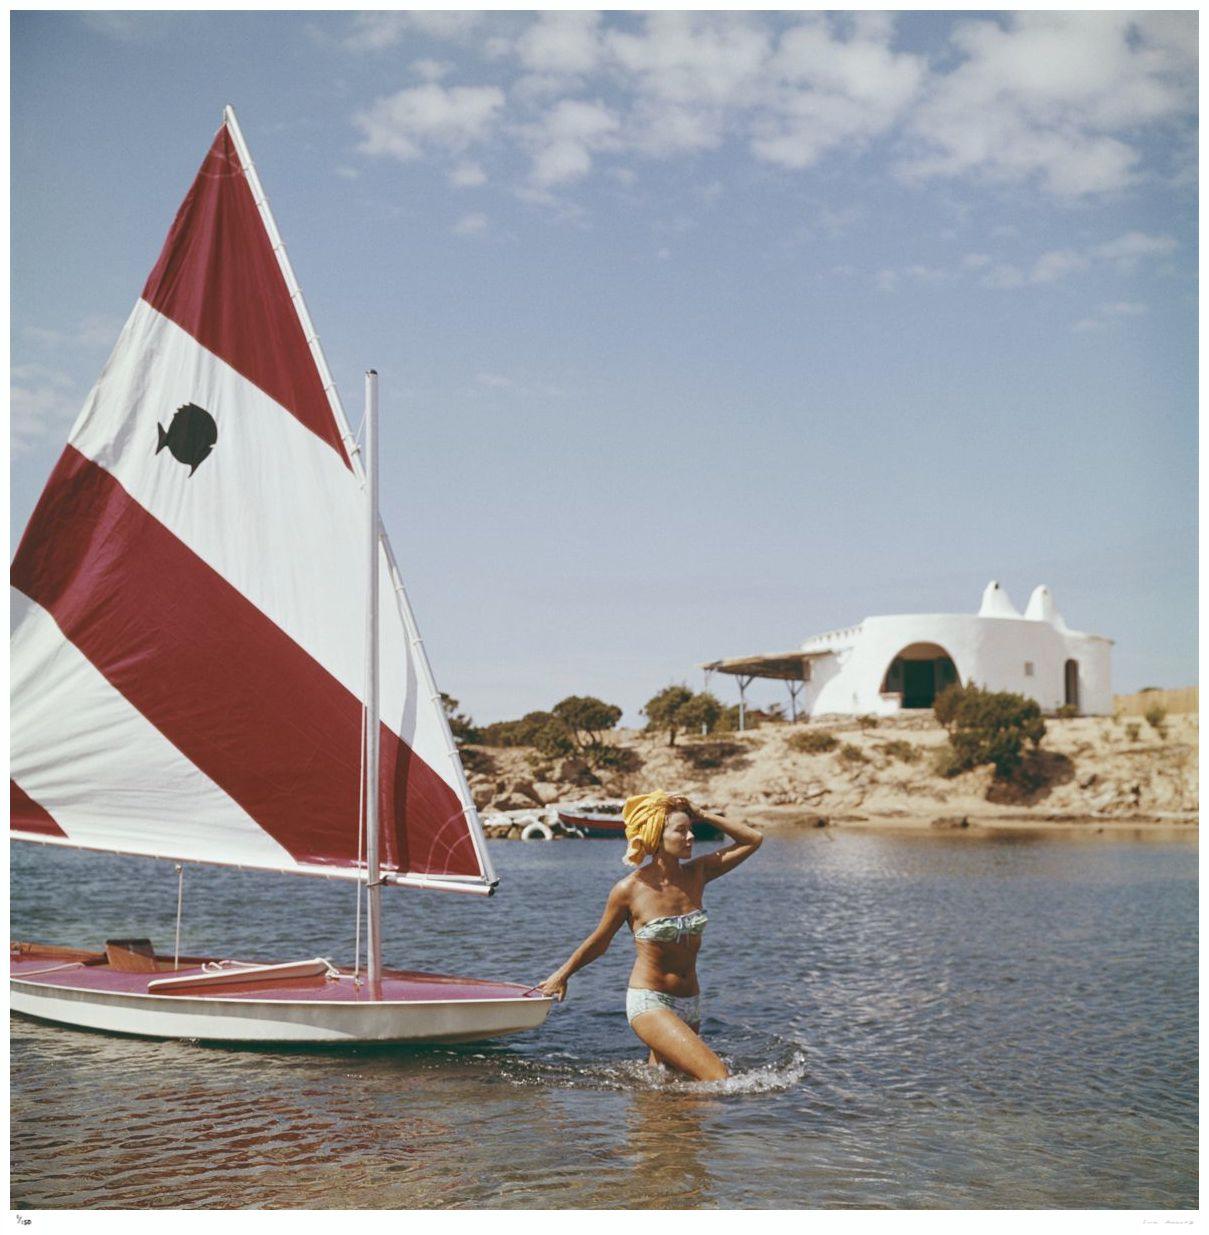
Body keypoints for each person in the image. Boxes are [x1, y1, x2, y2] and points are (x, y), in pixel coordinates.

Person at [538, 791, 762, 1081]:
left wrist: (701, 814)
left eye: (690, 829)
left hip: (690, 1003)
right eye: (681, 830)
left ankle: (654, 1126)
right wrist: (562, 975)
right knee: (719, 1079)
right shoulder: (629, 890)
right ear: (657, 834)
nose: (691, 836)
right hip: (650, 1002)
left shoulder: (698, 873)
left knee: (668, 1087)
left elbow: (753, 839)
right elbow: (600, 941)